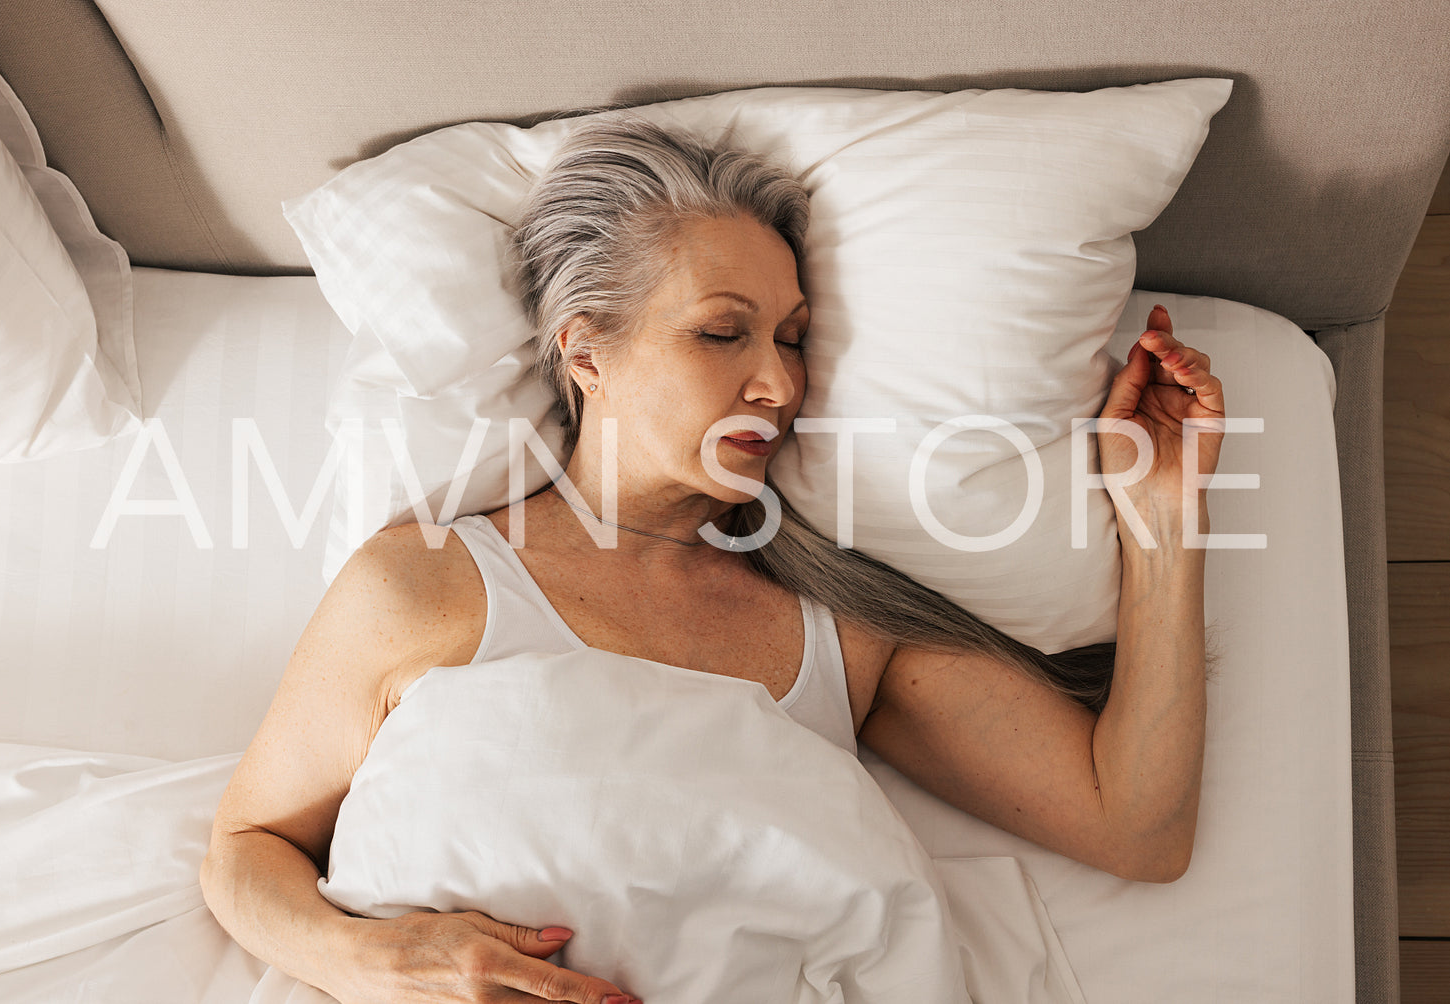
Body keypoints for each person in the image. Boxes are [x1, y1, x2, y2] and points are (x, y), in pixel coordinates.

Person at [201, 113, 1224, 1004]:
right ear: (586, 350)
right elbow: (245, 848)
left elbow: (1135, 827)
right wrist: (365, 958)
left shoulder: (840, 626)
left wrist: (1161, 520)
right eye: (721, 333)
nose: (776, 382)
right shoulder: (421, 583)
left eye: (789, 337)